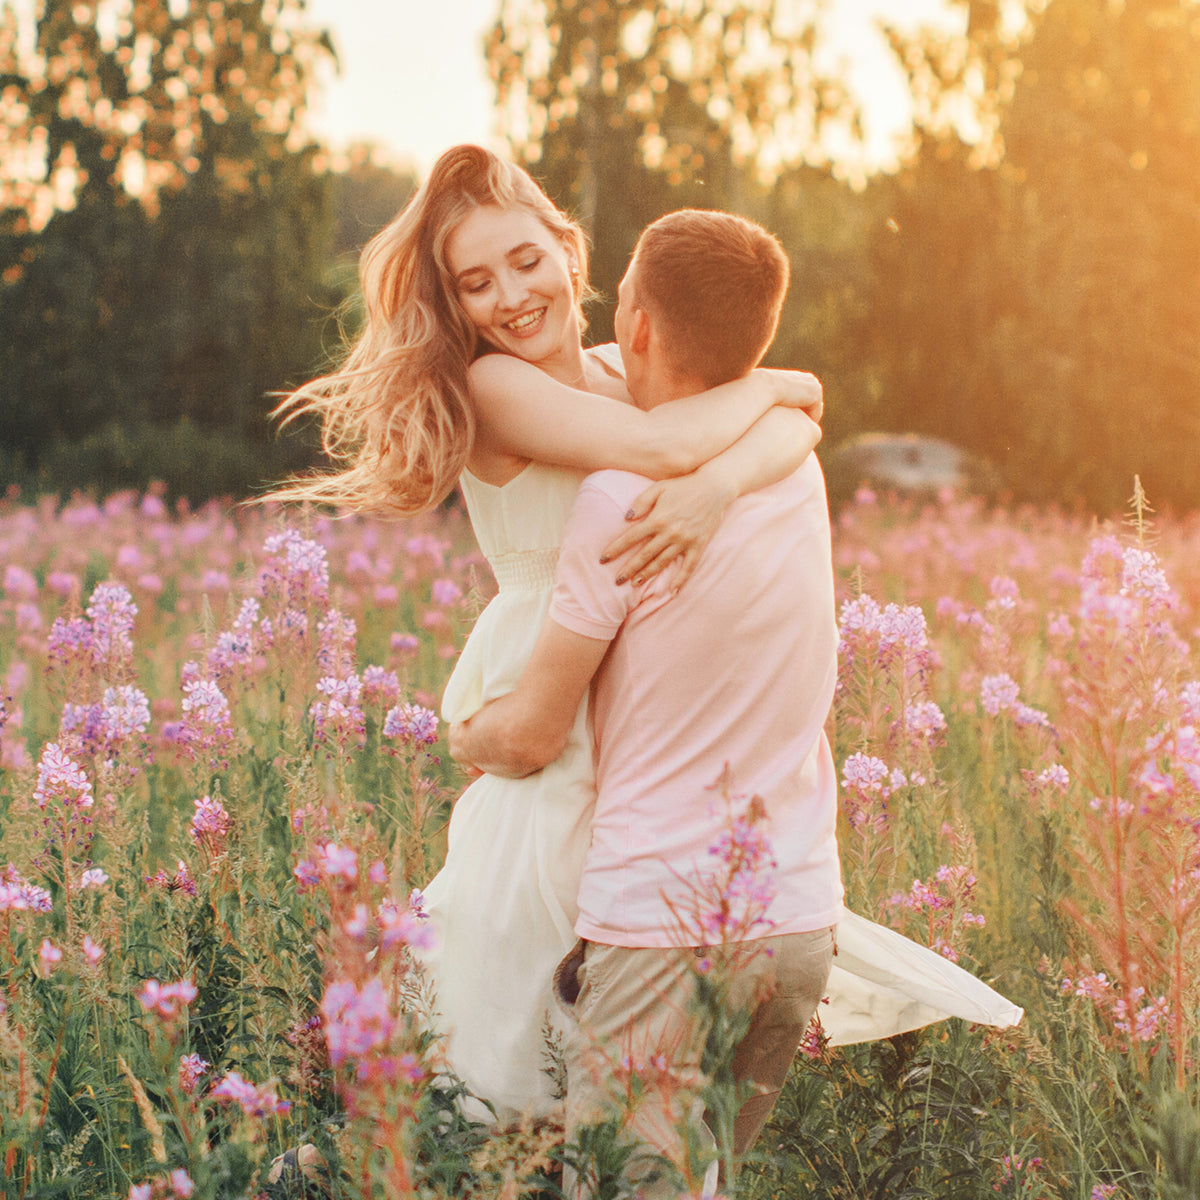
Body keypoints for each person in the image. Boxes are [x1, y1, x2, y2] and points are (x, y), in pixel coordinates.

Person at [448, 209, 1022, 1197]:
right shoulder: (792, 469)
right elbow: (795, 413)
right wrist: (745, 439)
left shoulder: (618, 505)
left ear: (632, 329)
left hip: (661, 929)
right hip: (794, 926)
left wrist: (461, 733)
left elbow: (537, 727)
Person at [271, 144, 827, 1123]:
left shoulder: (627, 367)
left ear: (571, 252)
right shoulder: (500, 392)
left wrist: (722, 482)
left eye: (525, 261)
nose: (510, 297)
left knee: (631, 1053)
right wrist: (737, 439)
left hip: (645, 711)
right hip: (556, 711)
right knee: (516, 1075)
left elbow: (802, 418)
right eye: (474, 283)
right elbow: (702, 432)